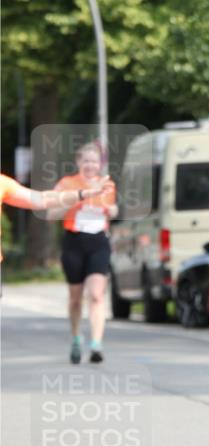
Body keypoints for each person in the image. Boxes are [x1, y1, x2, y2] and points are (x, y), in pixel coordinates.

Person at [47, 142, 118, 365]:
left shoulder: (107, 184)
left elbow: (114, 210)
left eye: (94, 161)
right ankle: (76, 337)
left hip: (98, 241)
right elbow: (51, 213)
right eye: (86, 161)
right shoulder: (67, 184)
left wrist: (110, 209)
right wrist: (77, 199)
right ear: (78, 163)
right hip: (74, 241)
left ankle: (96, 344)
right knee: (76, 298)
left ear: (100, 164)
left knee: (97, 295)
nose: (90, 165)